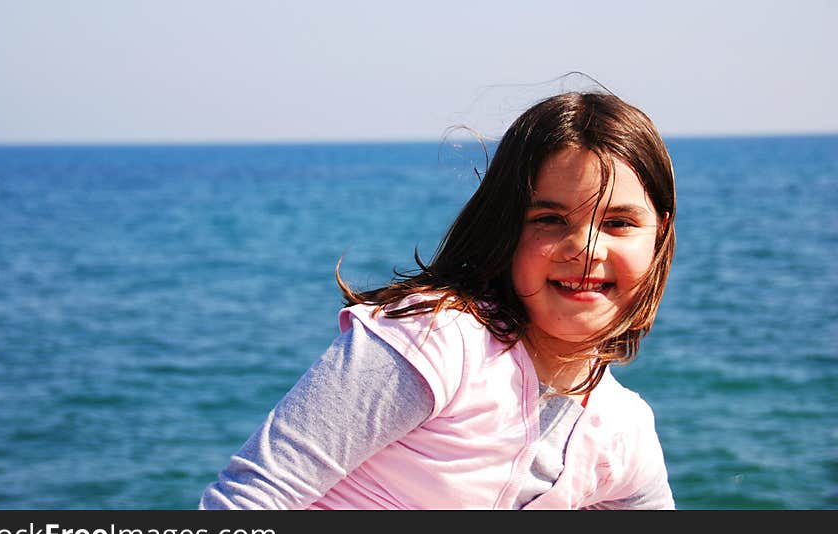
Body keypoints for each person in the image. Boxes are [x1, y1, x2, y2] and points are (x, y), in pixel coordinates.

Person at [199, 89, 677, 510]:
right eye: (549, 220)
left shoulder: (622, 430)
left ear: (660, 236)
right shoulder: (438, 341)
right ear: (504, 228)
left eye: (618, 223)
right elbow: (250, 499)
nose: (586, 248)